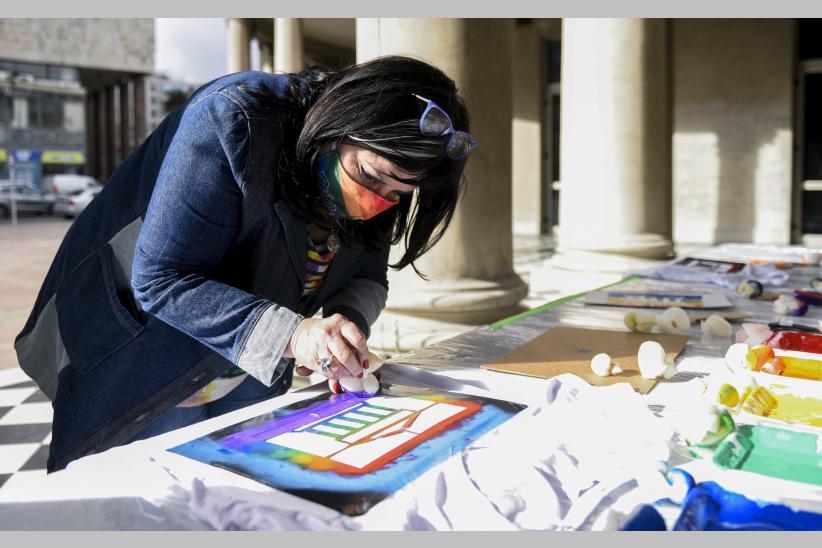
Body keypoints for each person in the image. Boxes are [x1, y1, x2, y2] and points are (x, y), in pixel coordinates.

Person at [15, 56, 476, 472]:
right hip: (148, 361)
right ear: (339, 124)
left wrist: (344, 325)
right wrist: (296, 334)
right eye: (369, 176)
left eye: (397, 195)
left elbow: (368, 275)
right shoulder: (235, 117)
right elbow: (161, 279)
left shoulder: (388, 175)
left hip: (252, 373)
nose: (377, 202)